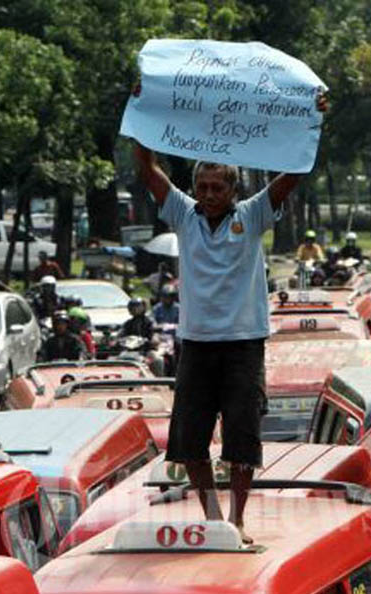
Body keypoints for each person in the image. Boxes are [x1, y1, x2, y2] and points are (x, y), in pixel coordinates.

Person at [132, 87, 324, 540]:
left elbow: (294, 172)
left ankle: (238, 519)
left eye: (218, 187)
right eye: (203, 186)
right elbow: (147, 167)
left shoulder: (254, 214)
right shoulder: (182, 213)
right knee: (189, 440)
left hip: (243, 343)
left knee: (242, 440)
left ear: (234, 190)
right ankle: (213, 516)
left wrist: (312, 121)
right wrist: (140, 110)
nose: (210, 194)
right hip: (197, 342)